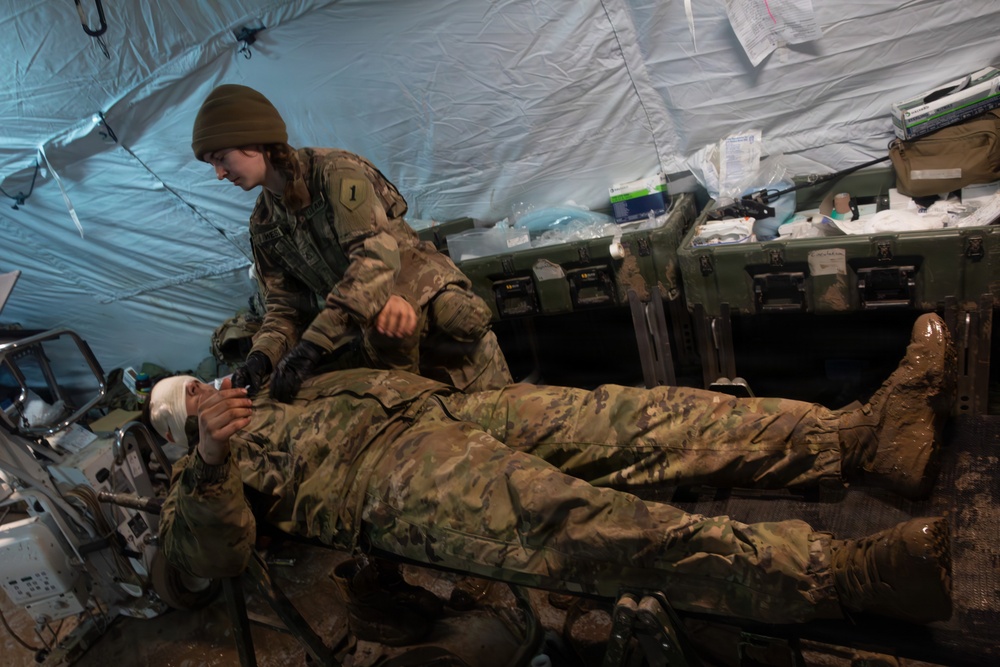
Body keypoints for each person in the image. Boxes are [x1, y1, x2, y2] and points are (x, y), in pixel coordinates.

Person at [152, 313, 955, 627]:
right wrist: (214, 458)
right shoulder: (205, 474)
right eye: (189, 403)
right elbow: (199, 566)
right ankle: (841, 574)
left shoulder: (276, 384)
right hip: (387, 479)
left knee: (638, 415)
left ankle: (856, 439)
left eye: (200, 383)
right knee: (583, 523)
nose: (209, 393)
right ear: (178, 430)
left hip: (438, 411)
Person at [190, 84, 512, 400]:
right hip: (387, 342)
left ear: (253, 139)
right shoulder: (265, 222)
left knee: (511, 423)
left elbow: (374, 260)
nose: (219, 173)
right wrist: (261, 358)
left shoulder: (335, 173)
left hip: (440, 326)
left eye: (221, 158)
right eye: (211, 164)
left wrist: (315, 343)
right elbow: (285, 308)